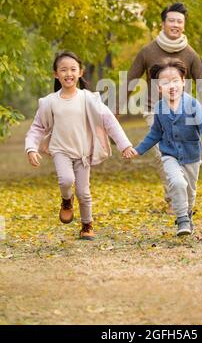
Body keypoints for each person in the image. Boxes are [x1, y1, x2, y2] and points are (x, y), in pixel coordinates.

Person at [25, 51, 135, 240]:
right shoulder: (49, 102)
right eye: (63, 70)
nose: (68, 73)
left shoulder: (88, 99)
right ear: (56, 74)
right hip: (61, 150)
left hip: (83, 153)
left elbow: (109, 121)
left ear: (80, 72)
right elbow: (37, 127)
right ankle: (66, 201)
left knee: (84, 192)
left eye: (73, 69)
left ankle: (87, 225)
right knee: (66, 180)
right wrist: (31, 148)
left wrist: (124, 145)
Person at [120, 3, 202, 207]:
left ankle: (180, 193)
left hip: (183, 110)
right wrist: (117, 109)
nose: (175, 24)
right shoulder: (147, 51)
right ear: (163, 24)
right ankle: (174, 194)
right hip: (154, 108)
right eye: (171, 20)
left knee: (182, 151)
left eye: (179, 21)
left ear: (184, 25)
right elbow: (130, 79)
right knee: (159, 152)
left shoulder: (190, 53)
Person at [126, 58, 202, 236]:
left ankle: (188, 213)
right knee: (177, 182)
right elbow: (155, 134)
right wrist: (138, 150)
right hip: (169, 154)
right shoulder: (159, 108)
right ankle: (182, 218)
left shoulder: (192, 104)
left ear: (183, 82)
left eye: (175, 81)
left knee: (190, 190)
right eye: (165, 82)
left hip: (191, 155)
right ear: (159, 87)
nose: (171, 85)